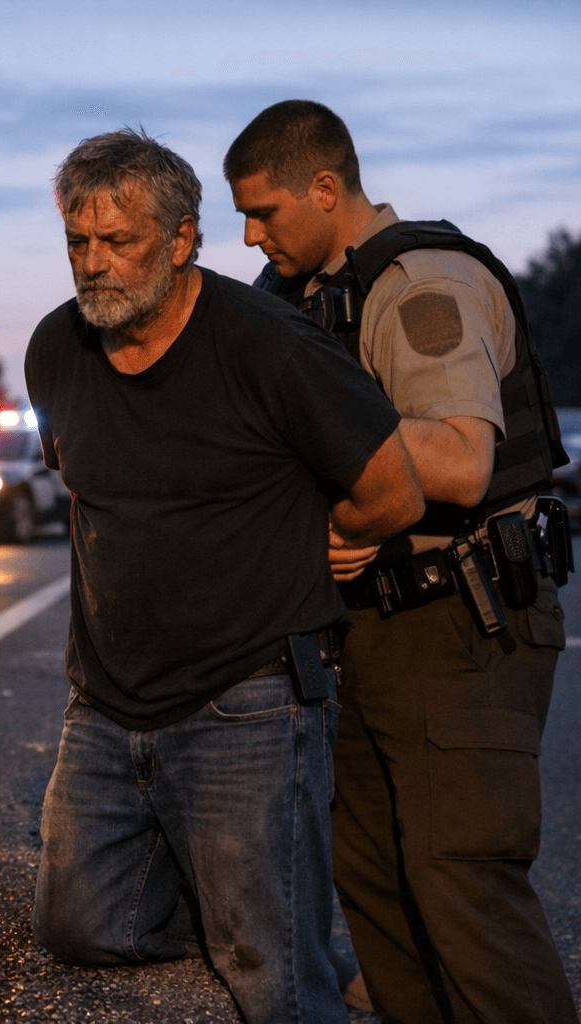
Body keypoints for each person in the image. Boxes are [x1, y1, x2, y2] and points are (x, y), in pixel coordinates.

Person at [26, 128, 424, 1024]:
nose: (93, 265)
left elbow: (392, 493)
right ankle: (236, 890)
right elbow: (82, 478)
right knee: (79, 925)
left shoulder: (269, 344)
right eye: (77, 242)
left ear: (179, 240)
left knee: (277, 986)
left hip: (248, 699)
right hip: (105, 701)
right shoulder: (56, 347)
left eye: (118, 242)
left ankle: (274, 919)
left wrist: (335, 541)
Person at [226, 99, 578, 1024]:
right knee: (376, 885)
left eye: (265, 212)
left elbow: (461, 461)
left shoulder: (420, 282)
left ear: (327, 187)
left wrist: (330, 442)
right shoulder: (298, 299)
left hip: (463, 620)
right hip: (369, 628)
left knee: (461, 884)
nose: (253, 237)